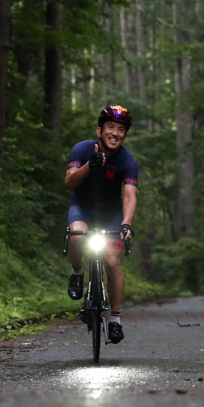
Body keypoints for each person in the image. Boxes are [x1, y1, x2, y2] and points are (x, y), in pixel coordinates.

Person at [65, 104, 138, 344]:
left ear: (124, 135)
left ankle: (115, 318)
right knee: (76, 235)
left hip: (111, 214)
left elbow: (129, 196)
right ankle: (78, 271)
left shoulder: (128, 161)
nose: (115, 133)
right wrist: (91, 165)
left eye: (120, 129)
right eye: (110, 127)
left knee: (112, 260)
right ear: (99, 131)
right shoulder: (81, 149)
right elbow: (70, 183)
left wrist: (126, 224)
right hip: (83, 209)